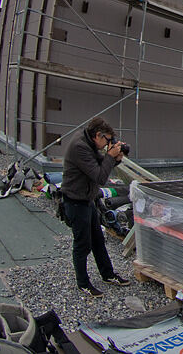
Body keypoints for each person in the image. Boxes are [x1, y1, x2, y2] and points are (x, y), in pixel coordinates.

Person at [61, 117, 131, 297]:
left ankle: (108, 274)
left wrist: (115, 159)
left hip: (87, 200)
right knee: (82, 244)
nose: (107, 144)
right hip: (76, 202)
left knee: (98, 240)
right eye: (107, 140)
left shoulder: (89, 143)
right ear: (98, 135)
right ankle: (83, 283)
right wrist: (110, 156)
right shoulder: (80, 147)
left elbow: (100, 164)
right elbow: (99, 176)